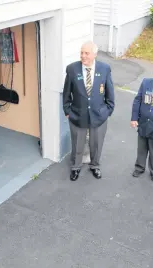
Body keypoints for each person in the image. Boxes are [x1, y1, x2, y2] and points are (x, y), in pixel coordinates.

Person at [62, 41, 115, 181]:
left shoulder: (104, 69)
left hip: (99, 116)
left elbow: (110, 92)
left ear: (94, 54)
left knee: (96, 144)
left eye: (86, 53)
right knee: (77, 144)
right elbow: (66, 93)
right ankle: (75, 167)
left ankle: (95, 166)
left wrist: (108, 110)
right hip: (77, 115)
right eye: (81, 52)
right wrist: (67, 110)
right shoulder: (72, 69)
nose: (83, 56)